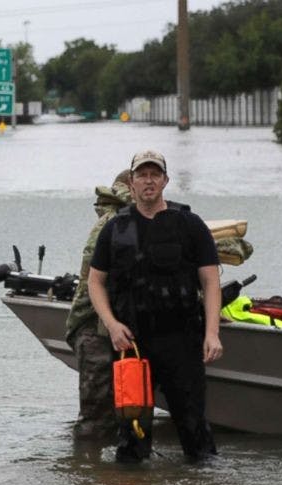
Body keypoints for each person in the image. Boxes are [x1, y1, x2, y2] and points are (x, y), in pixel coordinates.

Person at [87, 149, 222, 463]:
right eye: (142, 175)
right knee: (132, 434)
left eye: (154, 174)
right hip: (132, 344)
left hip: (183, 340)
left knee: (195, 432)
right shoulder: (114, 229)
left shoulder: (190, 224)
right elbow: (95, 282)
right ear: (132, 183)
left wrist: (212, 333)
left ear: (165, 180)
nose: (149, 181)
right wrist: (111, 324)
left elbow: (211, 281)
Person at [64, 170, 132, 440]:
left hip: (115, 329)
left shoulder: (121, 222)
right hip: (96, 330)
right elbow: (91, 283)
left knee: (125, 410)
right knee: (97, 418)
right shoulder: (111, 225)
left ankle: (104, 474)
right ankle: (90, 472)